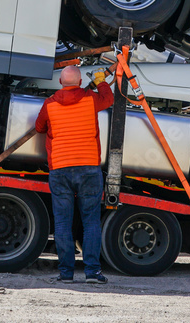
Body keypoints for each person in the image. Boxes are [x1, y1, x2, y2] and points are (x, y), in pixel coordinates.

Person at [35, 64, 114, 284]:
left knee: (62, 223)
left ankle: (66, 273)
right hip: (89, 168)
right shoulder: (91, 99)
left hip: (60, 169)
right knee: (90, 222)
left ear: (60, 82)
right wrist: (101, 81)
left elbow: (39, 127)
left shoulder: (50, 104)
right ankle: (92, 272)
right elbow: (108, 99)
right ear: (80, 82)